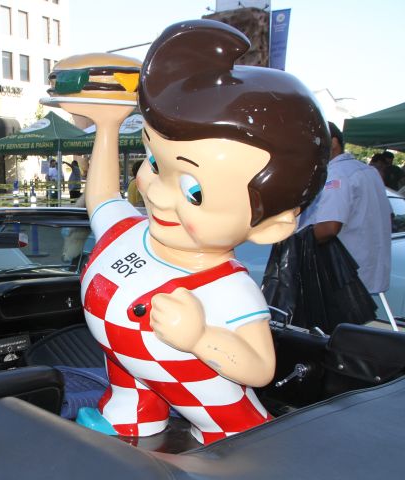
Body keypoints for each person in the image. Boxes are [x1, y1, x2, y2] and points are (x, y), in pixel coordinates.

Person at [59, 19, 329, 443]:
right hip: (129, 378)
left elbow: (260, 367)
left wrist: (202, 338)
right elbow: (103, 197)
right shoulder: (129, 232)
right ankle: (131, 412)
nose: (158, 193)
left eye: (195, 191)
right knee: (127, 396)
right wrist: (108, 126)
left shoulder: (225, 287)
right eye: (154, 163)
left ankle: (233, 439)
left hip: (215, 411)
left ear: (271, 226)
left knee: (232, 435)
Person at [299, 122, 391, 295]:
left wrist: (294, 243)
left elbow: (329, 227)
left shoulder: (336, 175)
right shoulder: (369, 172)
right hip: (367, 274)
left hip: (343, 279)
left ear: (333, 143)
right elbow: (389, 216)